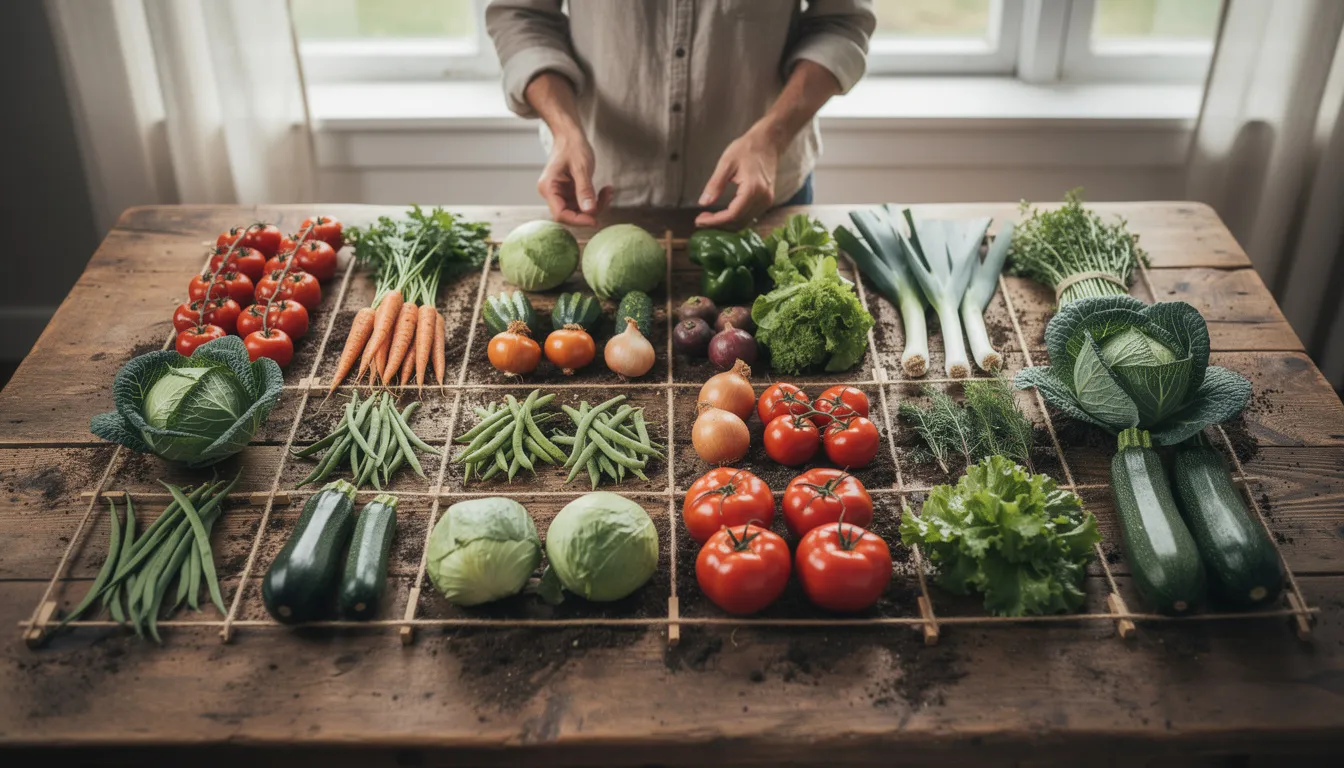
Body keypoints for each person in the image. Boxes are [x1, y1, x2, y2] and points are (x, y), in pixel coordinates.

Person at [486, 0, 875, 228]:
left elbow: (841, 23)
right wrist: (565, 129)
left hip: (766, 192)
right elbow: (521, 15)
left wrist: (772, 135)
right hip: (599, 195)